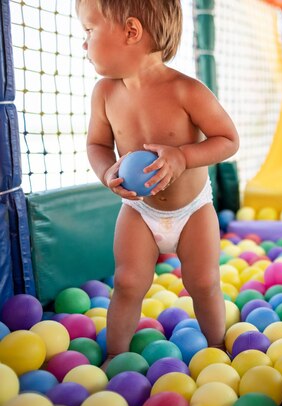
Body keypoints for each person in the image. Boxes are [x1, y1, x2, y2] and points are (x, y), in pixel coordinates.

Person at [76, 0, 239, 364]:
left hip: (193, 209)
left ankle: (218, 349)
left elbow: (228, 139)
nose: (83, 44)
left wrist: (183, 156)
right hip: (139, 209)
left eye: (89, 31)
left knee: (204, 283)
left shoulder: (186, 90)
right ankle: (115, 358)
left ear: (131, 32)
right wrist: (106, 173)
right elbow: (97, 144)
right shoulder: (105, 94)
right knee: (128, 283)